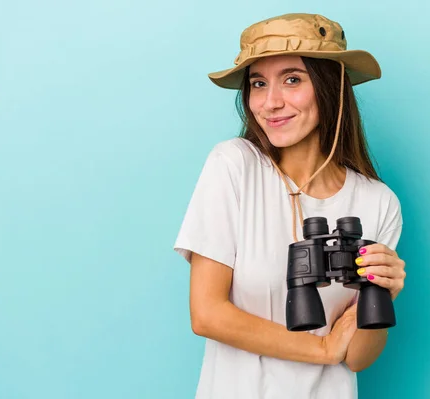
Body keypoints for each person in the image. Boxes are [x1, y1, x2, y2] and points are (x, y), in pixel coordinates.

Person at [173, 13, 407, 399]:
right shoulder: (235, 165)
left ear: (330, 85)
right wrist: (321, 348)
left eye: (292, 79)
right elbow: (207, 314)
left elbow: (358, 358)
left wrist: (381, 292)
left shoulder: (377, 201)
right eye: (258, 84)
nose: (270, 102)